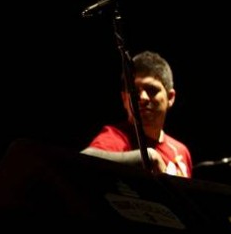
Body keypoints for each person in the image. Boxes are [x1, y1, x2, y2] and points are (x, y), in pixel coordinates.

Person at [81, 50, 193, 178]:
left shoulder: (181, 151)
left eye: (152, 90)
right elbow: (82, 160)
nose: (143, 97)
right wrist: (149, 157)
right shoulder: (116, 137)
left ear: (170, 97)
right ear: (124, 99)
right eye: (134, 91)